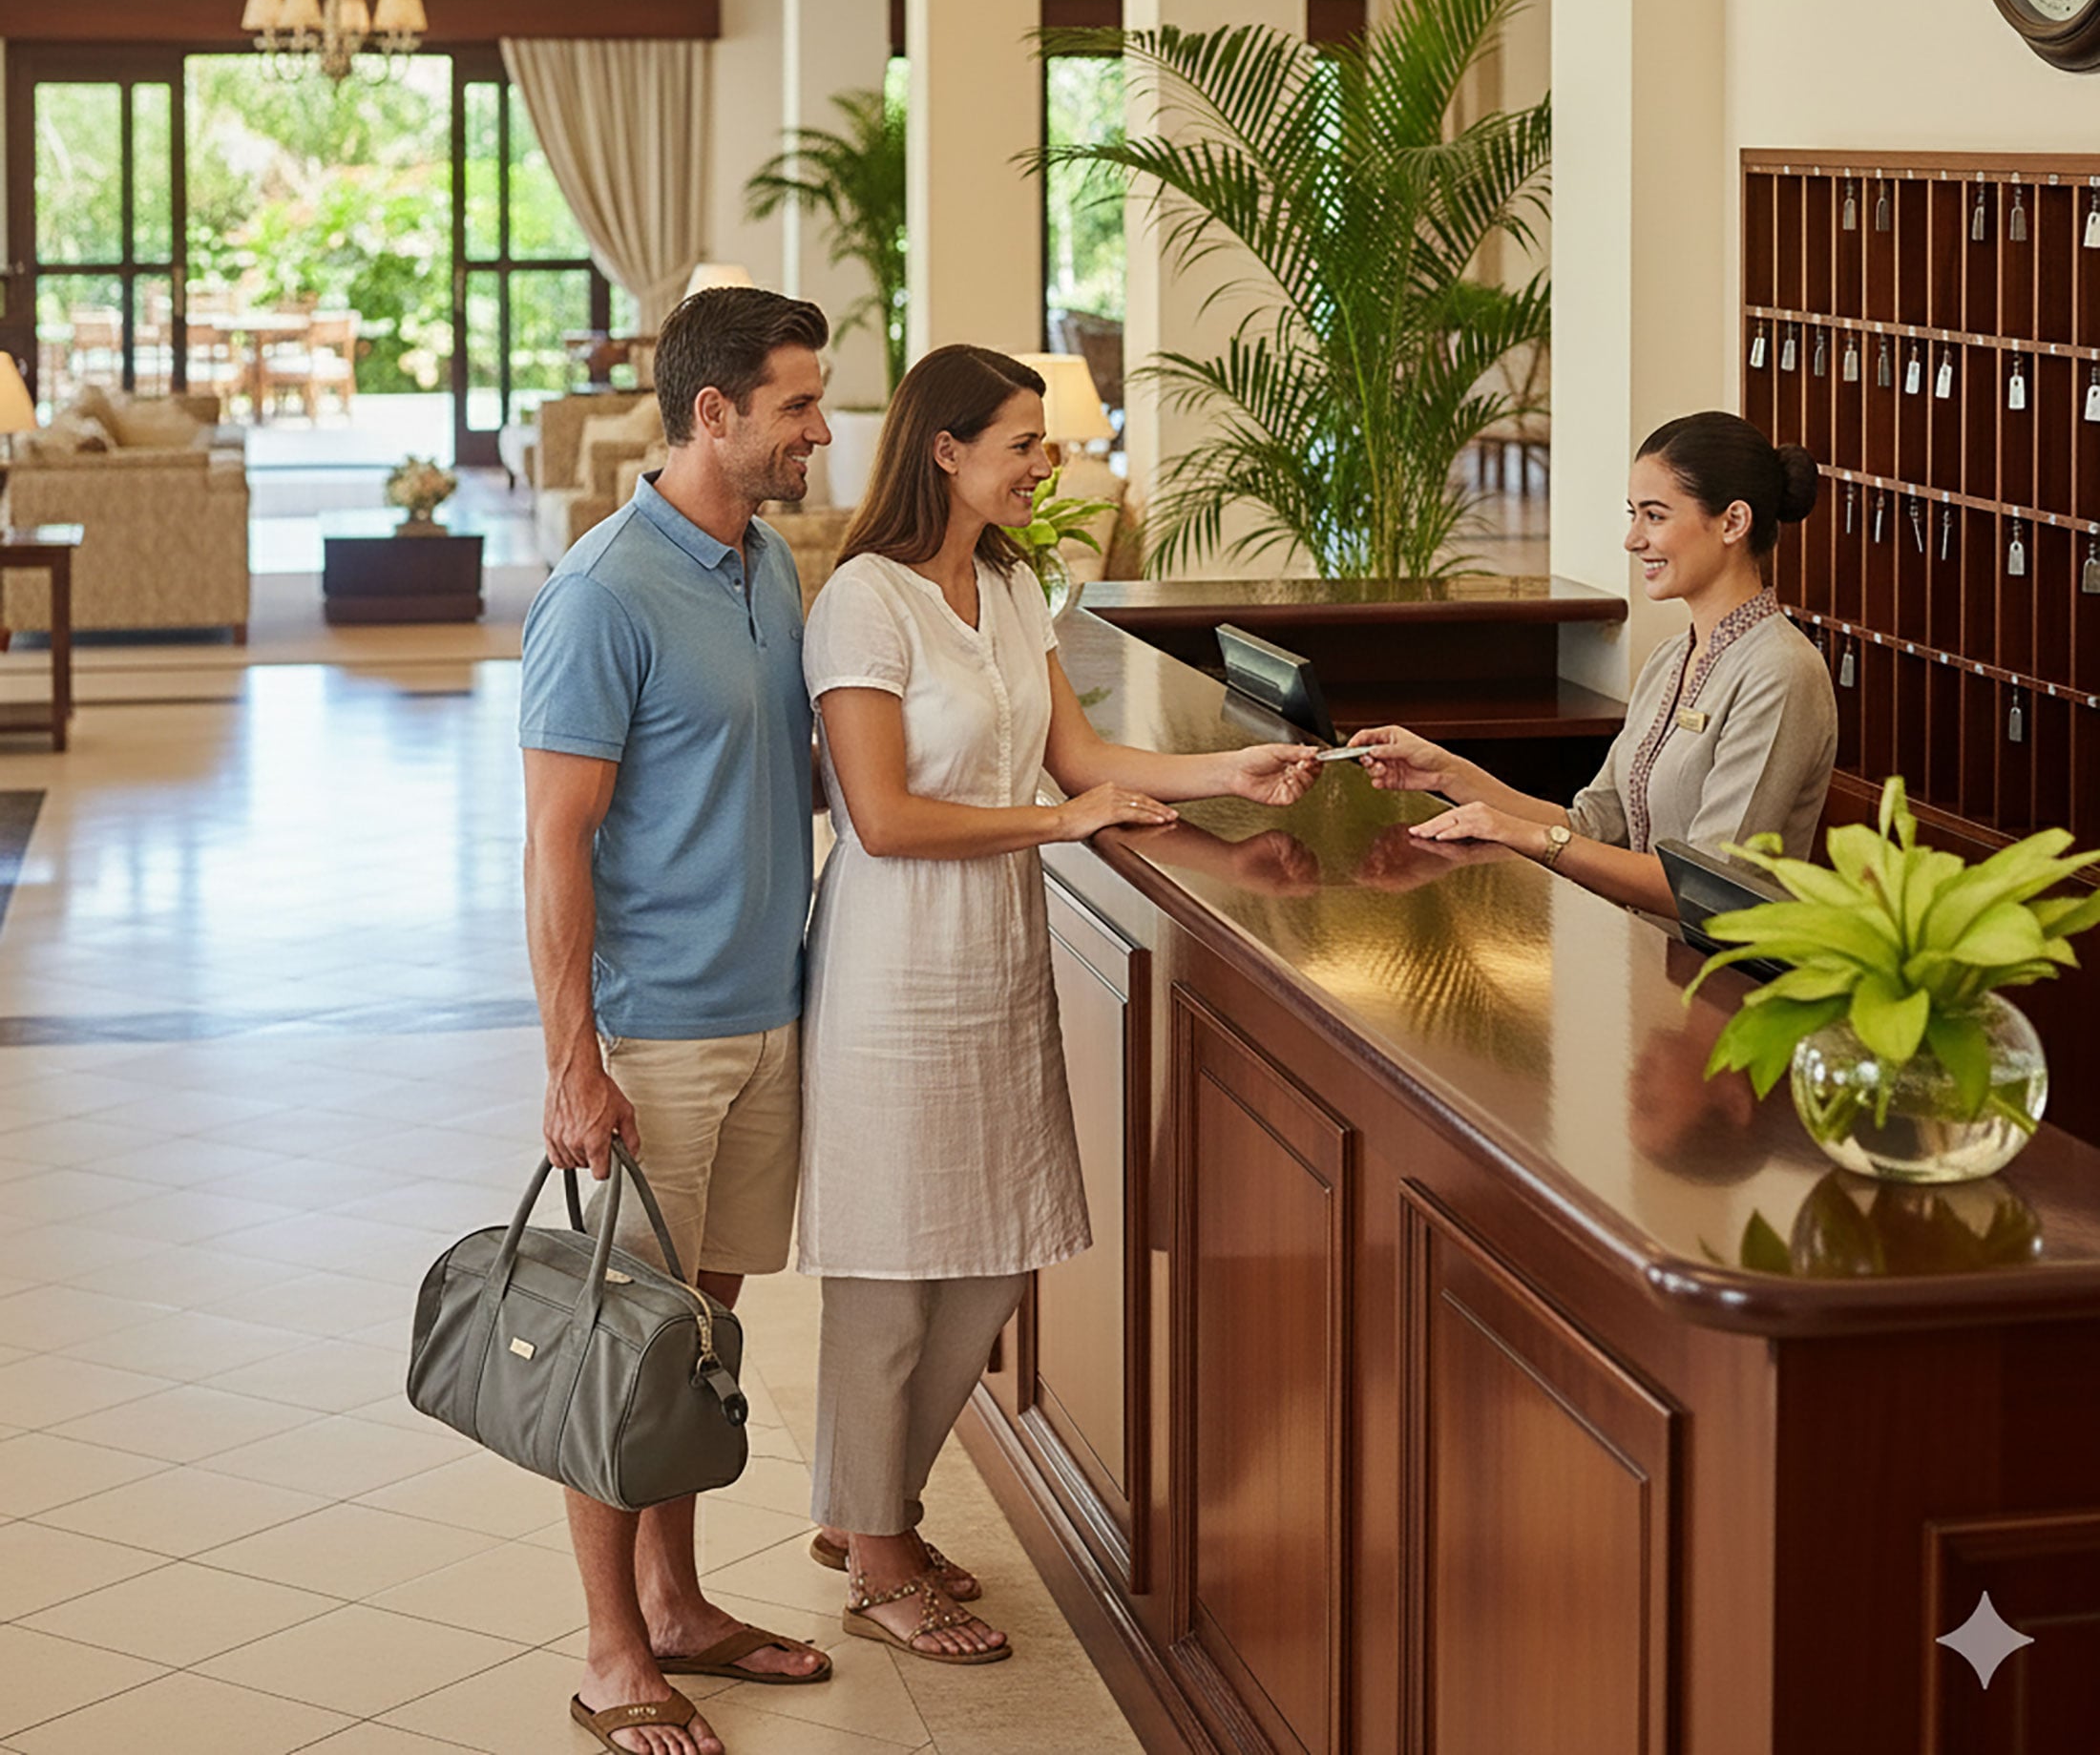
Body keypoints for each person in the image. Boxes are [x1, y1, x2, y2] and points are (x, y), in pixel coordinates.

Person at [798, 345, 1321, 1664]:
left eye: (1048, 444)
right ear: (946, 450)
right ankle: (876, 1542)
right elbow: (883, 815)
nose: (1052, 464)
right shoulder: (864, 601)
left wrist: (1230, 772)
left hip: (994, 955)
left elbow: (1079, 758)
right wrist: (1062, 818)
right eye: (1027, 444)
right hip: (891, 969)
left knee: (992, 1256)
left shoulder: (1012, 580)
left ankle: (869, 1516)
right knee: (890, 1270)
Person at [519, 285, 836, 1755]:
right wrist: (574, 1066)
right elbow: (555, 846)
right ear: (713, 413)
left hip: (769, 1017)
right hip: (652, 1041)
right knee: (621, 1348)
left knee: (701, 1337)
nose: (821, 432)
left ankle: (683, 1605)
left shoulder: (767, 566)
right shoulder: (601, 594)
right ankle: (608, 1651)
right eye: (797, 406)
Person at [1351, 410, 1837, 919]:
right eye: (1633, 515)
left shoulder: (1781, 672)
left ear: (1733, 522)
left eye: (1655, 515)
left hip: (1722, 984)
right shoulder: (1672, 658)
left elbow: (1707, 889)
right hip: (1645, 957)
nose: (1632, 539)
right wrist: (1447, 773)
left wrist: (1533, 839)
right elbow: (1593, 824)